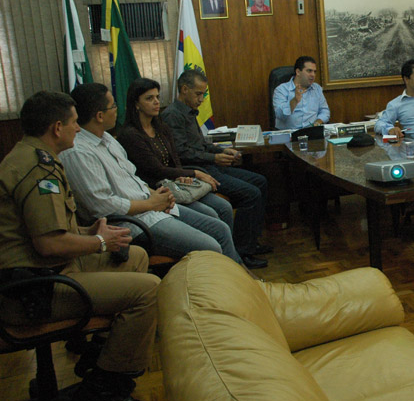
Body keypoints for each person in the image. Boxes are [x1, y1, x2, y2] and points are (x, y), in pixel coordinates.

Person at [0, 91, 158, 401]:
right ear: (57, 127)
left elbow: (47, 230)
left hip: (46, 269)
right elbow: (49, 244)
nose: (77, 129)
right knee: (148, 290)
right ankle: (104, 386)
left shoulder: (32, 154)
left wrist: (90, 233)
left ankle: (101, 353)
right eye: (74, 123)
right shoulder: (37, 169)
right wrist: (100, 243)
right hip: (31, 289)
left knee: (136, 256)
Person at [60, 83, 251, 268]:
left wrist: (158, 196)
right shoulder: (79, 152)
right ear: (100, 116)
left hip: (151, 205)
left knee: (219, 228)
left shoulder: (108, 138)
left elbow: (133, 178)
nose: (117, 109)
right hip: (134, 223)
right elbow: (102, 206)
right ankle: (224, 292)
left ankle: (240, 275)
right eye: (113, 106)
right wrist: (153, 203)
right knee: (210, 247)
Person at [116, 78, 265, 266]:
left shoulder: (159, 125)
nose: (156, 102)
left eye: (157, 97)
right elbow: (156, 169)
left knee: (227, 205)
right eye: (149, 98)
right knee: (217, 213)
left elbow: (176, 157)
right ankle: (234, 263)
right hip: (161, 190)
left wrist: (185, 174)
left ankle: (234, 254)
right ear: (136, 104)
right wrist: (190, 174)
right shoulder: (131, 135)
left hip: (180, 182)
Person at [162, 69, 272, 261]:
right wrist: (214, 158)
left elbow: (200, 144)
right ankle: (241, 251)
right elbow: (182, 153)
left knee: (260, 181)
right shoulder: (173, 115)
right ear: (184, 89)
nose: (201, 99)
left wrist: (221, 151)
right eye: (198, 94)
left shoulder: (188, 112)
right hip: (200, 172)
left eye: (203, 94)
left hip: (211, 164)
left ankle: (251, 243)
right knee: (250, 193)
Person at [273, 56, 330, 129]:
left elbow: (325, 111)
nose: (313, 75)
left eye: (314, 71)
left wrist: (317, 122)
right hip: (290, 135)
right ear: (298, 72)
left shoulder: (317, 89)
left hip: (312, 132)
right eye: (309, 71)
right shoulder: (281, 90)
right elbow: (280, 116)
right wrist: (295, 101)